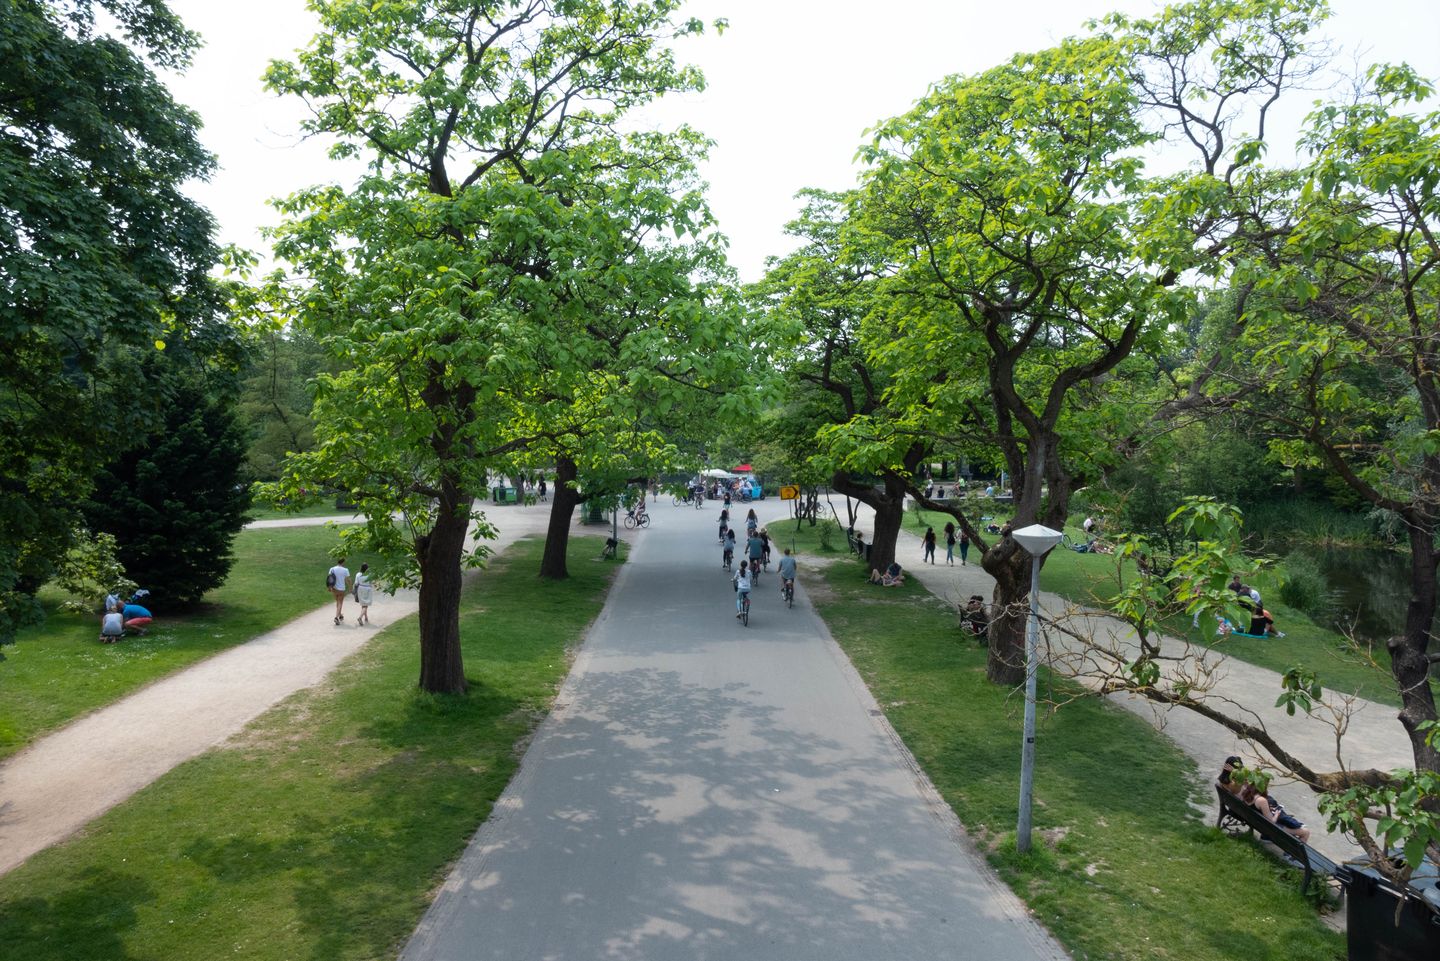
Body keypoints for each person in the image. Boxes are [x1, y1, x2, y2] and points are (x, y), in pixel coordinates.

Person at [1221, 756, 1311, 843]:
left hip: (1249, 815)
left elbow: (1242, 782)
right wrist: (1276, 814)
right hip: (1267, 826)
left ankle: (1285, 827)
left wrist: (1236, 773)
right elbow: (1271, 821)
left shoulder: (1226, 783)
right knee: (1305, 831)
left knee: (1276, 809)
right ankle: (1292, 833)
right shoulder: (1242, 788)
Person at [327, 557, 351, 624]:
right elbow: (348, 579)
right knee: (340, 603)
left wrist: (329, 587)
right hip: (341, 589)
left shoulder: (332, 569)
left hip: (334, 589)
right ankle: (336, 617)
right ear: (343, 562)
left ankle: (340, 615)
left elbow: (329, 579)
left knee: (338, 602)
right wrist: (350, 587)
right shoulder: (345, 570)